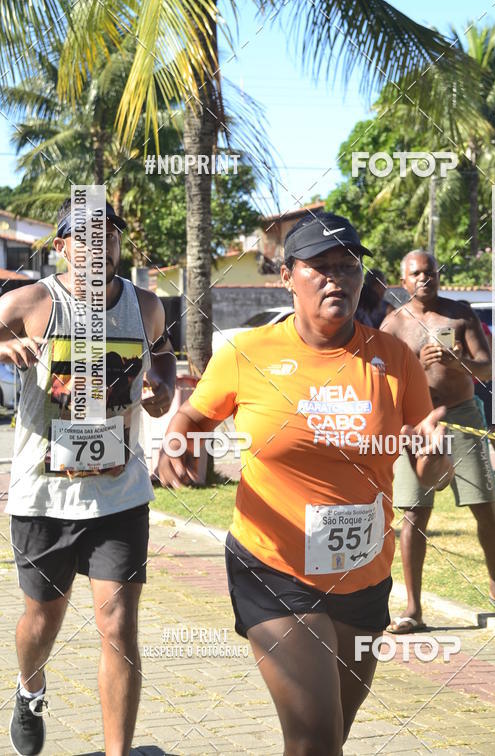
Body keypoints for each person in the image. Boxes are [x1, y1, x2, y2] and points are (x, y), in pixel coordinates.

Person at [157, 213, 452, 756]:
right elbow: (194, 417)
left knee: (331, 731)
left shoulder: (394, 361)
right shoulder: (249, 354)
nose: (337, 278)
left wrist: (435, 462)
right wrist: (179, 447)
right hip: (273, 567)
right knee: (315, 733)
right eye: (321, 267)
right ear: (287, 276)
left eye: (348, 266)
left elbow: (425, 463)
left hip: (364, 577)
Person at [3, 197, 175, 756]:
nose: (99, 248)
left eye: (109, 237)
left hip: (120, 493)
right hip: (43, 497)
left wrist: (163, 388)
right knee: (41, 620)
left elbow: (163, 351)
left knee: (119, 625)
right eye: (85, 237)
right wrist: (8, 343)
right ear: (63, 247)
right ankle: (30, 689)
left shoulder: (145, 305)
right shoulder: (33, 300)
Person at [380, 250, 495, 634]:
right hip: (415, 423)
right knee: (413, 514)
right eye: (416, 274)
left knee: (485, 508)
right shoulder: (393, 324)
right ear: (404, 279)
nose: (424, 279)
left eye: (430, 272)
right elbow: (379, 377)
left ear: (438, 275)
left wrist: (460, 362)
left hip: (462, 418)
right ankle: (413, 609)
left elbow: (489, 365)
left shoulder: (460, 315)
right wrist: (414, 359)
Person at [455, 302, 495, 475]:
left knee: (475, 426)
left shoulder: (456, 328)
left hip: (476, 383)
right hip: (483, 382)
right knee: (492, 425)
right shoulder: (481, 328)